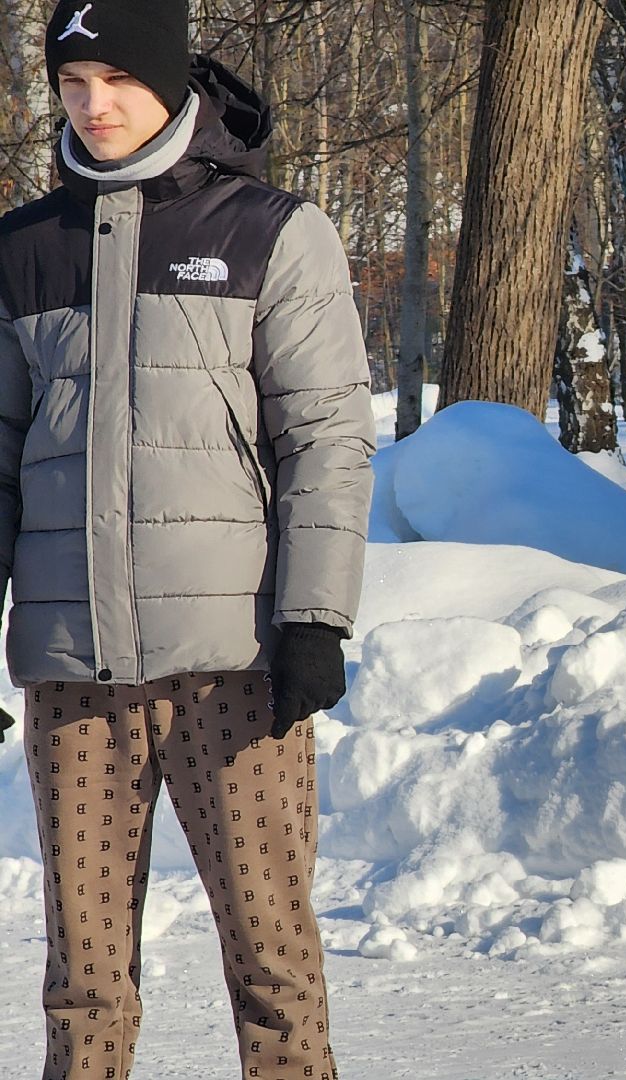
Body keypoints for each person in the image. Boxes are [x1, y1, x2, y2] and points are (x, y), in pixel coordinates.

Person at [0, 2, 374, 1076]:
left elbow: (327, 442)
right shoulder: (25, 250)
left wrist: (312, 618)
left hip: (235, 671)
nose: (93, 104)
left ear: (171, 82)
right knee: (82, 978)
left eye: (116, 78)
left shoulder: (268, 230)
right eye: (72, 84)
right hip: (74, 674)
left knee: (271, 960)